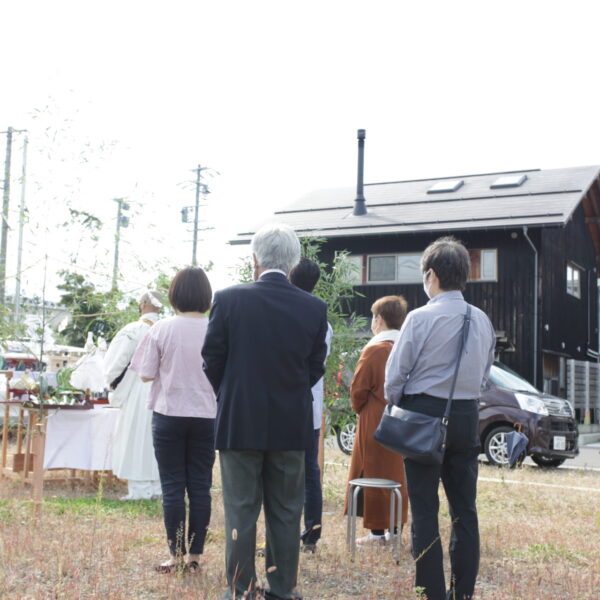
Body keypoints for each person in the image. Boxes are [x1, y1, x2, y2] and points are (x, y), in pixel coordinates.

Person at [202, 224, 328, 600]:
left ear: (253, 259)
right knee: (287, 510)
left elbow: (212, 359)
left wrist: (232, 393)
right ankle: (281, 588)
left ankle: (239, 589)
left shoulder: (228, 299)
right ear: (293, 263)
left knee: (240, 509)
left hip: (239, 420)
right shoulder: (313, 307)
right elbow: (315, 366)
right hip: (291, 422)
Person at [384, 237, 496, 600]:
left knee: (425, 507)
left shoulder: (420, 318)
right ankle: (463, 593)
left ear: (430, 275)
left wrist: (400, 404)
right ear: (464, 275)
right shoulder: (482, 320)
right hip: (466, 416)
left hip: (423, 415)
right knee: (465, 509)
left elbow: (394, 378)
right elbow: (484, 376)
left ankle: (430, 593)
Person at [131, 267, 216, 573]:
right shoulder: (216, 328)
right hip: (207, 416)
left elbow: (145, 374)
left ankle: (175, 556)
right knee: (200, 487)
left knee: (172, 487)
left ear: (174, 295)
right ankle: (195, 557)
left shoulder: (161, 329)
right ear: (206, 296)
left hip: (169, 415)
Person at [343, 296, 409, 545]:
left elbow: (358, 389)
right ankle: (395, 529)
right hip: (403, 419)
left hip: (375, 419)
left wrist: (360, 407)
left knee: (373, 472)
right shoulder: (404, 346)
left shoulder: (375, 348)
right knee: (396, 474)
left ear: (379, 319)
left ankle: (377, 533)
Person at [289, 257, 333, 554]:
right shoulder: (323, 319)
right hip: (311, 402)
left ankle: (287, 535)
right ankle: (312, 534)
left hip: (285, 402)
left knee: (284, 472)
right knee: (309, 471)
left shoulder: (286, 313)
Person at [104, 290, 163, 501]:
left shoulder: (134, 329)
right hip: (162, 389)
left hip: (138, 388)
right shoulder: (166, 328)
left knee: (136, 436)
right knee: (156, 439)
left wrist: (111, 382)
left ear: (143, 304)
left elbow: (118, 361)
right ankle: (158, 487)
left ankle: (139, 490)